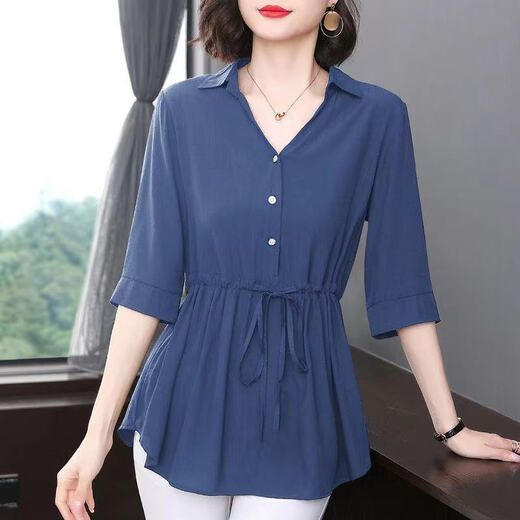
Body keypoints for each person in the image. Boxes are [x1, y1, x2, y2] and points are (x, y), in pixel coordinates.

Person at [55, 1, 520, 519]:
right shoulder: (182, 110)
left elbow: (401, 286)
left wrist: (451, 428)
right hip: (188, 394)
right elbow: (147, 284)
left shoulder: (377, 118)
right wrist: (95, 438)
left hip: (303, 399)